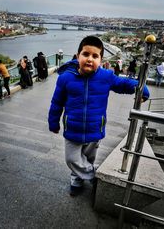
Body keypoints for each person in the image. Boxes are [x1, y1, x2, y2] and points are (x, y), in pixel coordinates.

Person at [48, 36, 150, 197]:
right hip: (72, 129)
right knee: (72, 159)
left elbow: (123, 84)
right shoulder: (65, 78)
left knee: (87, 159)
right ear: (77, 56)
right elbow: (56, 103)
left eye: (95, 56)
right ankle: (93, 176)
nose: (90, 59)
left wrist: (141, 89)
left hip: (95, 129)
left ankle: (77, 180)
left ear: (101, 60)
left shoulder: (106, 77)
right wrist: (53, 123)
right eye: (86, 54)